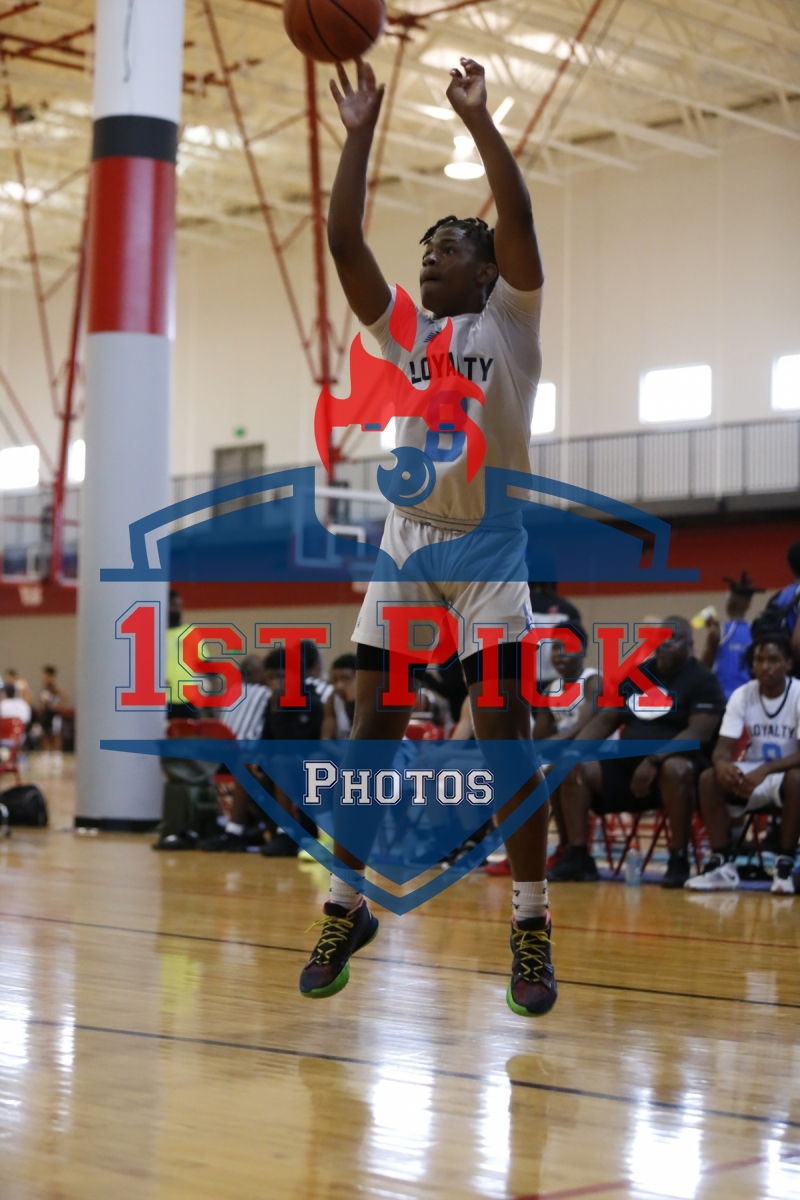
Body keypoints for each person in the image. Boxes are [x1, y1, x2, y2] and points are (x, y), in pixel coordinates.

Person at [299, 55, 555, 1018]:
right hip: (409, 544)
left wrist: (481, 121)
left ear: (486, 270)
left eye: (448, 246)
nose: (429, 257)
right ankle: (345, 907)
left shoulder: (512, 323)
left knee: (502, 737)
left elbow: (517, 216)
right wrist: (359, 131)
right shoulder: (406, 333)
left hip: (490, 549)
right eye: (427, 249)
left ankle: (530, 926)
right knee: (373, 729)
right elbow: (342, 242)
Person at [549, 617, 725, 889]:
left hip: (675, 774)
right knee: (574, 767)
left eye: (672, 640)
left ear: (690, 644)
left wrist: (653, 760)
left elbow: (697, 733)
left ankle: (678, 858)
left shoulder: (703, 680)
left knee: (675, 768)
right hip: (627, 771)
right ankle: (578, 855)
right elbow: (607, 718)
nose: (664, 645)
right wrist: (573, 752)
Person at [687, 634, 800, 894]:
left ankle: (784, 864)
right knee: (709, 778)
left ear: (788, 663)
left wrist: (765, 770)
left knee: (797, 778)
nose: (765, 666)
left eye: (773, 660)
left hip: (785, 774)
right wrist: (723, 766)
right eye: (759, 660)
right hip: (754, 774)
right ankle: (721, 863)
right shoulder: (742, 694)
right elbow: (722, 749)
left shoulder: (797, 694)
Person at [199, 654, 272, 852]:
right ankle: (252, 827)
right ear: (257, 673)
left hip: (218, 758)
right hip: (242, 757)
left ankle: (249, 825)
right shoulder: (266, 693)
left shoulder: (231, 692)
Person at [701, 572, 763, 699]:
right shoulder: (756, 632)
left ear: (728, 602)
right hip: (748, 698)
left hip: (723, 698)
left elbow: (703, 669)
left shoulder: (719, 631)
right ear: (749, 604)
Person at [321, 654, 357, 740]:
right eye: (335, 680)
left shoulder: (371, 701)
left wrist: (352, 704)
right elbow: (325, 740)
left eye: (346, 679)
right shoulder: (332, 700)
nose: (339, 686)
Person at [38, 665, 67, 770]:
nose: (43, 677)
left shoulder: (54, 688)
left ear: (50, 676)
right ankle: (45, 754)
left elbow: (64, 698)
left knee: (55, 735)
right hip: (46, 715)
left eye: (45, 675)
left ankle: (57, 755)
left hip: (54, 715)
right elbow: (42, 701)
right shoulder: (45, 688)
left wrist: (57, 707)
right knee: (45, 734)